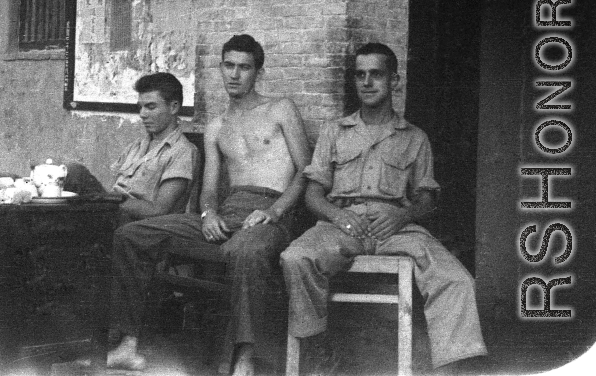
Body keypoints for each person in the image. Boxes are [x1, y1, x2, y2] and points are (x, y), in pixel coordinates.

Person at [106, 34, 312, 376]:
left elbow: (307, 172)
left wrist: (275, 212)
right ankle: (128, 344)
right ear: (220, 68)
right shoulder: (218, 126)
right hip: (229, 211)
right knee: (131, 234)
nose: (235, 74)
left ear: (258, 72)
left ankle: (245, 357)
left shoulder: (280, 109)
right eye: (229, 65)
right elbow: (210, 191)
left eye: (244, 67)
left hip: (273, 211)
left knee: (245, 251)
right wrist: (208, 213)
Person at [280, 43, 487, 374]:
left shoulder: (414, 137)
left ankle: (451, 368)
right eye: (360, 75)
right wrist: (337, 215)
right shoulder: (334, 132)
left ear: (395, 81)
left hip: (396, 229)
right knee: (296, 257)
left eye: (376, 74)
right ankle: (320, 349)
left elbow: (427, 198)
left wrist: (401, 215)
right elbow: (313, 193)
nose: (367, 82)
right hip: (340, 226)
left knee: (456, 278)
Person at [63, 72, 199, 223]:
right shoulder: (137, 146)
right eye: (140, 107)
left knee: (75, 172)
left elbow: (159, 210)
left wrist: (111, 199)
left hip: (139, 226)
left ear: (173, 107)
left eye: (150, 107)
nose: (142, 114)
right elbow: (113, 188)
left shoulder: (182, 151)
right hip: (111, 213)